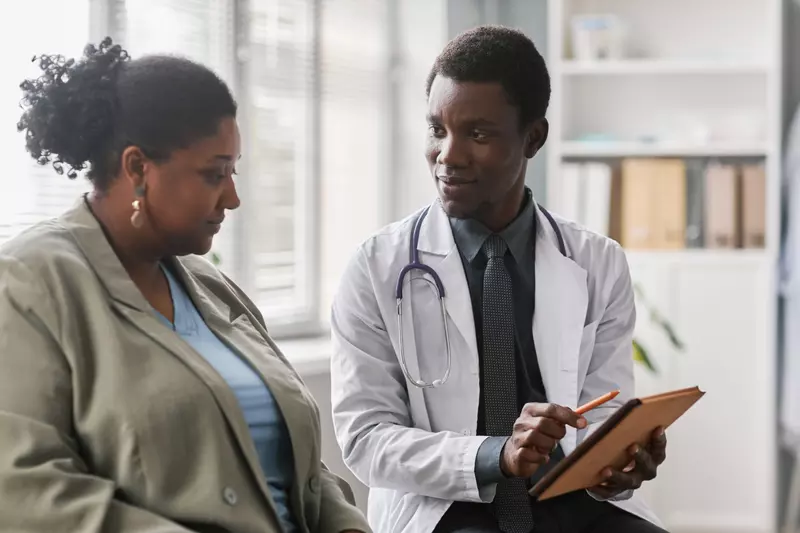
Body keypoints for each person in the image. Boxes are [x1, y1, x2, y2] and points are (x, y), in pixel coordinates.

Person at [0, 37, 369, 533]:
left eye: (232, 172)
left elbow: (301, 468)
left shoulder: (212, 288)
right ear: (137, 169)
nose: (233, 198)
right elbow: (25, 490)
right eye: (214, 174)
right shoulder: (29, 283)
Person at [330, 25, 668, 533]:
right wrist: (495, 454)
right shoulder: (376, 267)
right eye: (437, 130)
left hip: (569, 501)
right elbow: (366, 438)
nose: (449, 154)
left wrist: (617, 464)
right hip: (449, 505)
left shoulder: (598, 262)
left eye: (478, 134)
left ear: (533, 137)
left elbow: (605, 412)